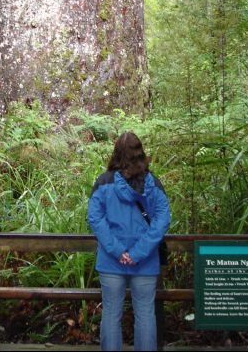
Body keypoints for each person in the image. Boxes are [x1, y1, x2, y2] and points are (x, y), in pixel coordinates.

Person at [87, 132, 171, 351]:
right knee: (145, 314)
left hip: (111, 260)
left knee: (111, 314)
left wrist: (117, 250)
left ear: (116, 153)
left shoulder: (103, 182)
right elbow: (162, 220)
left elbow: (95, 218)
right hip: (145, 261)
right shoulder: (154, 184)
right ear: (141, 153)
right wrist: (138, 253)